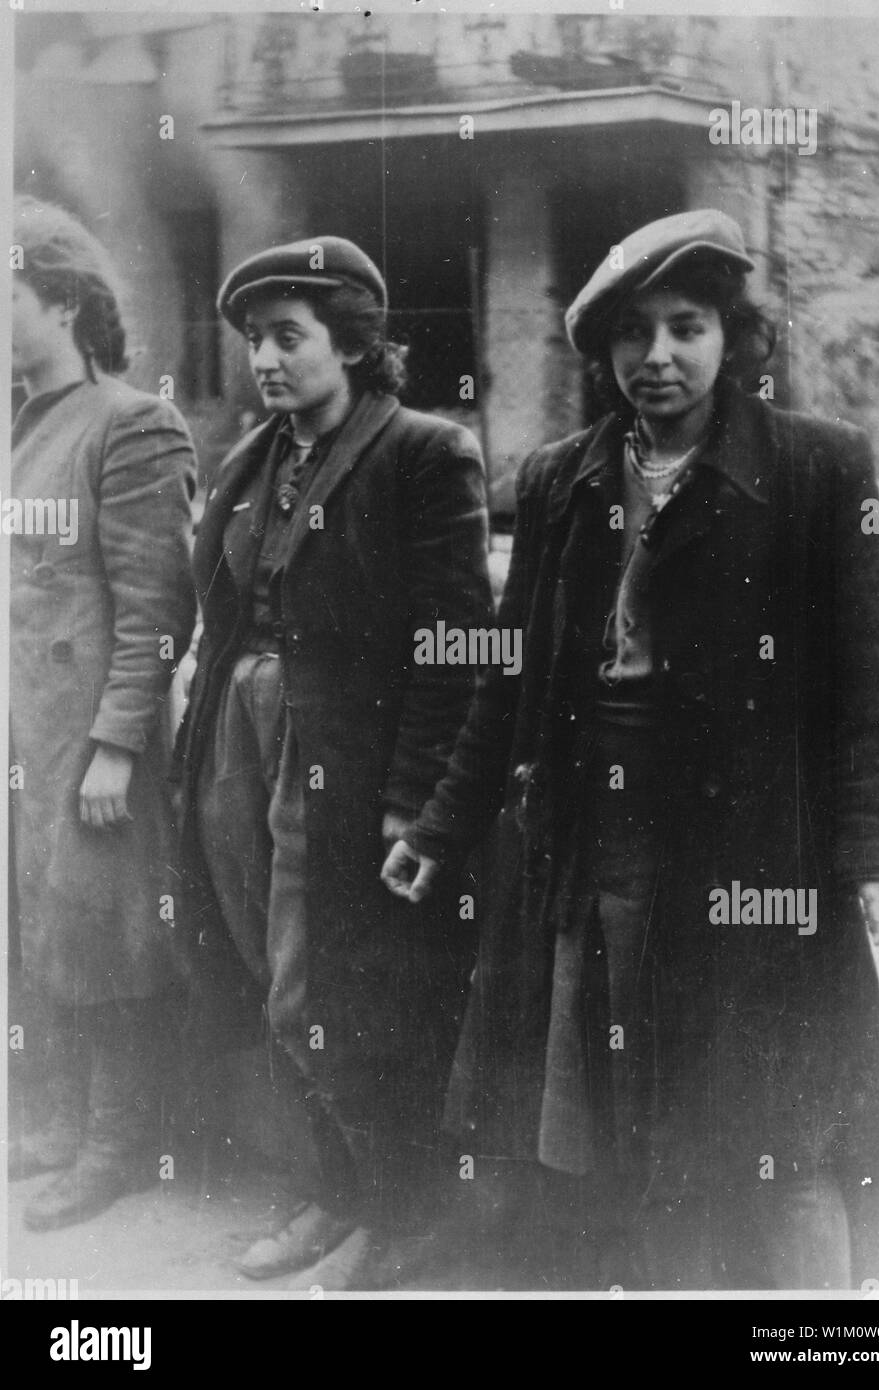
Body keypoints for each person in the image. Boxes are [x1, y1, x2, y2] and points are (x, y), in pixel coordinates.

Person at [382, 209, 879, 1290]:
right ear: (602, 353)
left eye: (686, 326)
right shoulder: (559, 480)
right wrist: (441, 824)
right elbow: (514, 674)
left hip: (757, 855)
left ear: (733, 336)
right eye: (632, 335)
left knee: (777, 1128)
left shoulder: (816, 469)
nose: (658, 357)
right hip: (596, 851)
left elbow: (860, 683)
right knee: (622, 1120)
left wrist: (876, 856)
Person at [174, 236, 492, 1284]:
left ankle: (397, 1211)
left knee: (327, 988)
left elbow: (456, 644)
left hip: (343, 757)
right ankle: (332, 1190)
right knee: (266, 963)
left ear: (351, 344)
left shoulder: (421, 452)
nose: (266, 360)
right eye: (256, 341)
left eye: (289, 338)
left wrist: (410, 799)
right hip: (239, 735)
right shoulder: (249, 461)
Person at [8, 196, 198, 1229]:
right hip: (24, 738)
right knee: (42, 928)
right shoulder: (17, 425)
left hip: (91, 739)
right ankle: (59, 1127)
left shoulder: (131, 424)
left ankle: (117, 1145)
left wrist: (117, 744)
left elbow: (156, 602)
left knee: (112, 935)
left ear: (67, 302)